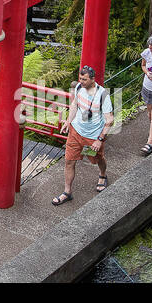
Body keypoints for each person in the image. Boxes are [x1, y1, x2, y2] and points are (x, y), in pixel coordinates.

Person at [53, 65, 114, 205]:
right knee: (69, 161)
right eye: (80, 78)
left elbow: (109, 120)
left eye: (85, 79)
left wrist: (99, 139)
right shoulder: (79, 87)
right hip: (76, 132)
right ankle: (67, 192)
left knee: (98, 159)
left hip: (92, 137)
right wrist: (69, 122)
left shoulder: (102, 94)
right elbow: (75, 104)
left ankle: (103, 175)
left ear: (93, 79)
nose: (81, 81)